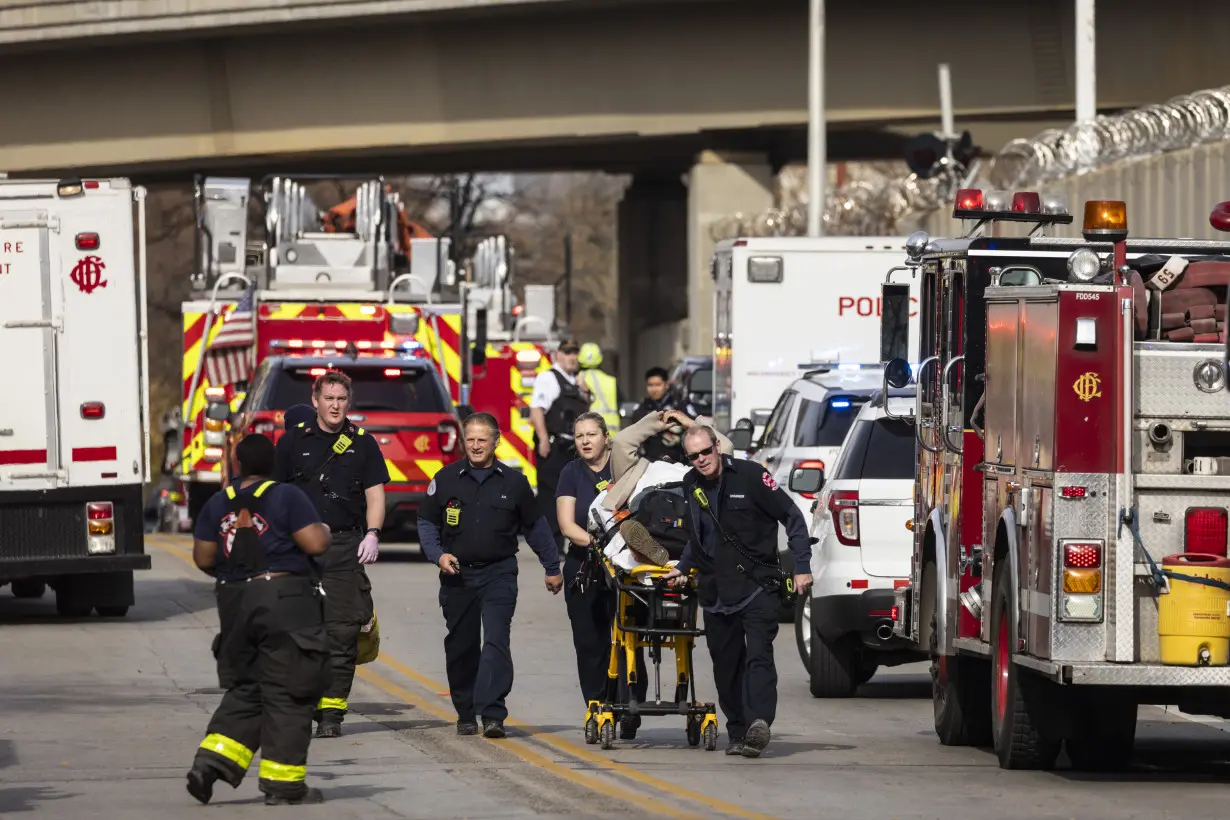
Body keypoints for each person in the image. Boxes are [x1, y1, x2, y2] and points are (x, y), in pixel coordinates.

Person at [185, 434, 332, 806]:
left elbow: (203, 558)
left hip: (234, 603)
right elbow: (314, 543)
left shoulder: (218, 503)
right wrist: (325, 530)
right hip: (283, 599)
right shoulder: (286, 495)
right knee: (289, 689)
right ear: (273, 465)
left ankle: (210, 764)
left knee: (248, 688)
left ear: (238, 464)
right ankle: (283, 786)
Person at [663, 425, 814, 759]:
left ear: (718, 447)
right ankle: (737, 730)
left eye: (705, 452)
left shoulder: (751, 476)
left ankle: (759, 722)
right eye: (694, 456)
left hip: (757, 585)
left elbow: (792, 516)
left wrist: (801, 565)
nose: (701, 460)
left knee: (759, 655)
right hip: (715, 590)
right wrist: (683, 566)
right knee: (726, 664)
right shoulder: (690, 484)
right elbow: (697, 536)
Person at [417, 412, 564, 739]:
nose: (476, 445)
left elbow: (536, 527)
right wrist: (438, 555)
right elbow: (427, 524)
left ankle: (493, 712)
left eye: (483, 439)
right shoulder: (446, 479)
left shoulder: (514, 482)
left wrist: (552, 567)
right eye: (470, 439)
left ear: (496, 442)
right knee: (462, 646)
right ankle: (466, 710)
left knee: (496, 639)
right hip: (457, 576)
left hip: (499, 573)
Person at [273, 370, 389, 738]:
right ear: (315, 401)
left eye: (341, 399)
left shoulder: (364, 443)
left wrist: (372, 534)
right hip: (300, 549)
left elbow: (375, 495)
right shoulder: (291, 442)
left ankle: (332, 714)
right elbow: (273, 496)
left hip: (343, 547)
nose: (335, 405)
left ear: (347, 402)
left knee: (342, 633)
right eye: (329, 399)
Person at [555, 411, 648, 739]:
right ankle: (597, 706)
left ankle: (631, 705)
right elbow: (567, 524)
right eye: (579, 436)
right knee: (590, 643)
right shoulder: (570, 473)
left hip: (628, 566)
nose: (585, 441)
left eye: (591, 434)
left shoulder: (625, 467)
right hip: (586, 565)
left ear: (606, 437)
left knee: (629, 638)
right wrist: (597, 543)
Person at [529, 339, 592, 546]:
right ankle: (552, 544)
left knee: (572, 494)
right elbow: (537, 409)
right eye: (567, 353)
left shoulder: (575, 380)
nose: (572, 357)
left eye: (575, 353)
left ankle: (570, 539)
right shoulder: (549, 378)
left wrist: (586, 392)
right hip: (555, 447)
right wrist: (544, 439)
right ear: (558, 355)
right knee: (551, 496)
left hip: (572, 447)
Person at [627, 367, 682, 462]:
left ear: (666, 385)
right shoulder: (641, 409)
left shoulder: (678, 406)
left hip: (677, 461)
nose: (654, 389)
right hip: (649, 462)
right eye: (650, 385)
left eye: (658, 385)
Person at [576, 343, 621, 434]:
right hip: (611, 436)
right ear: (600, 359)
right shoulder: (611, 381)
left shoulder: (575, 380)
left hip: (587, 435)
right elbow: (621, 404)